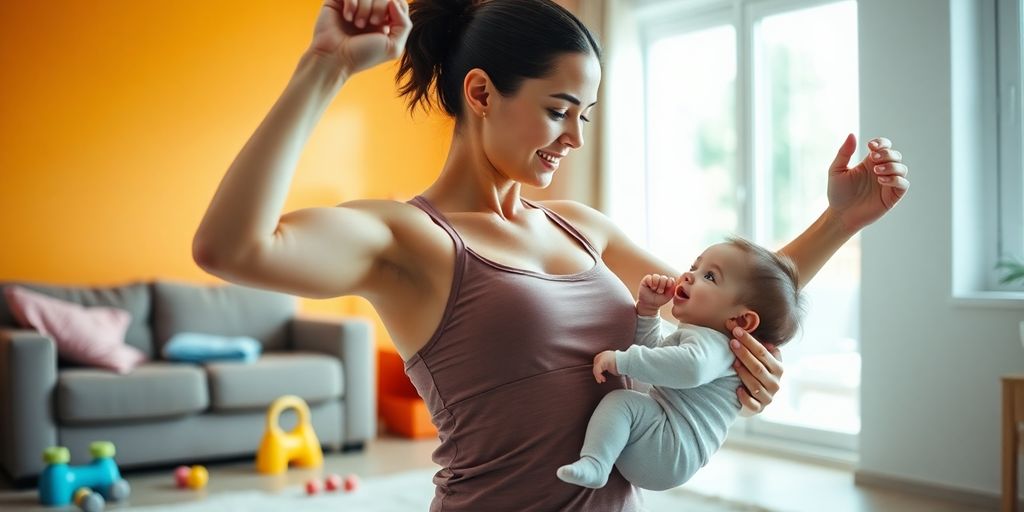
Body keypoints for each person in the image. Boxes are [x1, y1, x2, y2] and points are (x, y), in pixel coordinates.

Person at [191, 0, 909, 510]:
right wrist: (324, 66)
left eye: (586, 116)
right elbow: (230, 247)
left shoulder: (580, 226)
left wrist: (840, 221)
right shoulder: (408, 240)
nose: (575, 137)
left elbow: (726, 300)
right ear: (480, 92)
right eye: (560, 109)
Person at [557, 238, 804, 491]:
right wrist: (648, 312)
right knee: (627, 404)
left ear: (741, 319)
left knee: (622, 403)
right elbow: (659, 358)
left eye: (709, 276)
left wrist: (622, 361)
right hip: (670, 446)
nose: (688, 276)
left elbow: (689, 368)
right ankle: (597, 462)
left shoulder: (717, 345)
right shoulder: (706, 340)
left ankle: (596, 464)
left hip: (672, 445)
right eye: (694, 267)